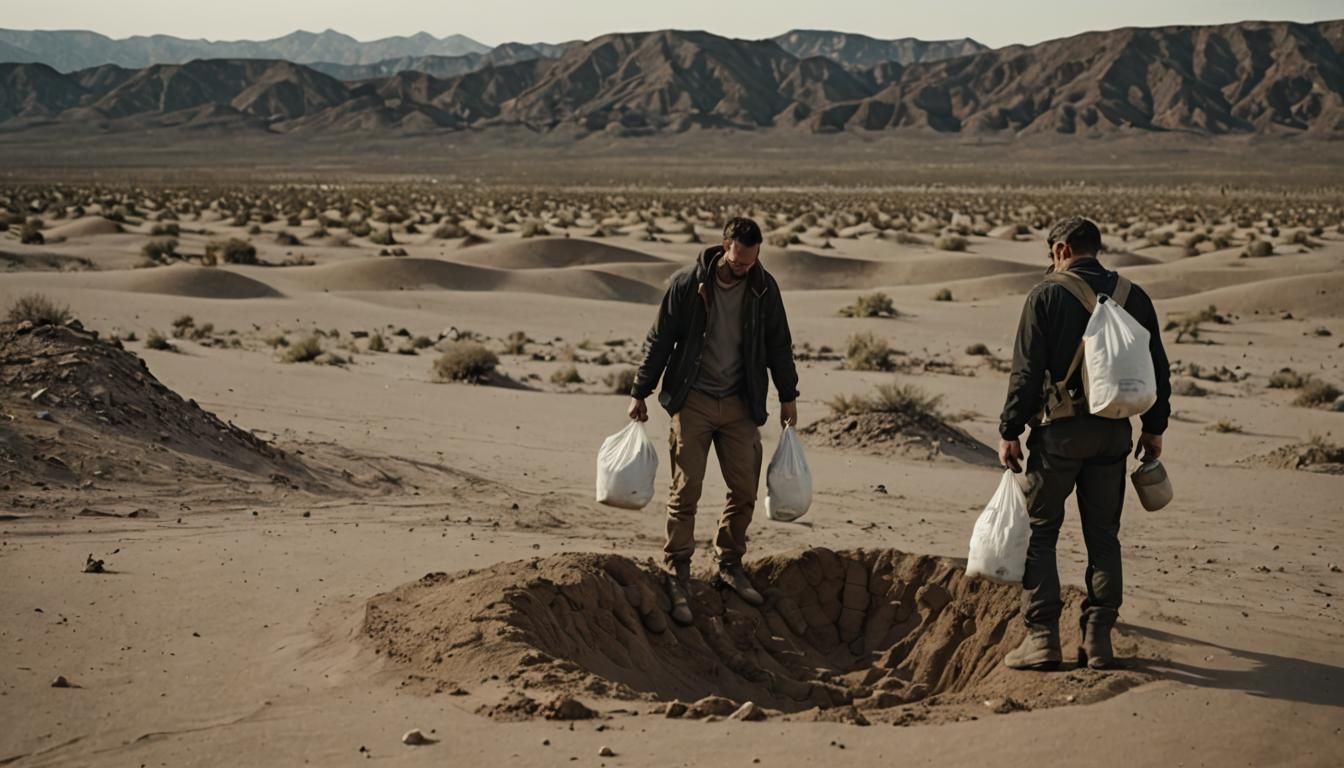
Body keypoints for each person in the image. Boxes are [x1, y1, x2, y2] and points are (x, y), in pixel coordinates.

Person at [997, 216, 1171, 671]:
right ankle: (1098, 640)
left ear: (1060, 251)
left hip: (1059, 435)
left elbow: (1025, 373)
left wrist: (1009, 430)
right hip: (1114, 435)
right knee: (1103, 536)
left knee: (1040, 534)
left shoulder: (1045, 295)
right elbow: (1158, 368)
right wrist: (1154, 428)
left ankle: (1042, 638)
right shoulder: (1134, 296)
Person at [628, 216, 800, 625]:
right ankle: (678, 571)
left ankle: (729, 564)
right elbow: (660, 340)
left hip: (741, 402)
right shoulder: (688, 284)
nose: (743, 268)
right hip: (694, 400)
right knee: (686, 490)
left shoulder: (763, 287)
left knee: (744, 490)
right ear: (725, 247)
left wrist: (788, 396)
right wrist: (640, 390)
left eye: (750, 262)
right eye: (738, 261)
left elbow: (779, 344)